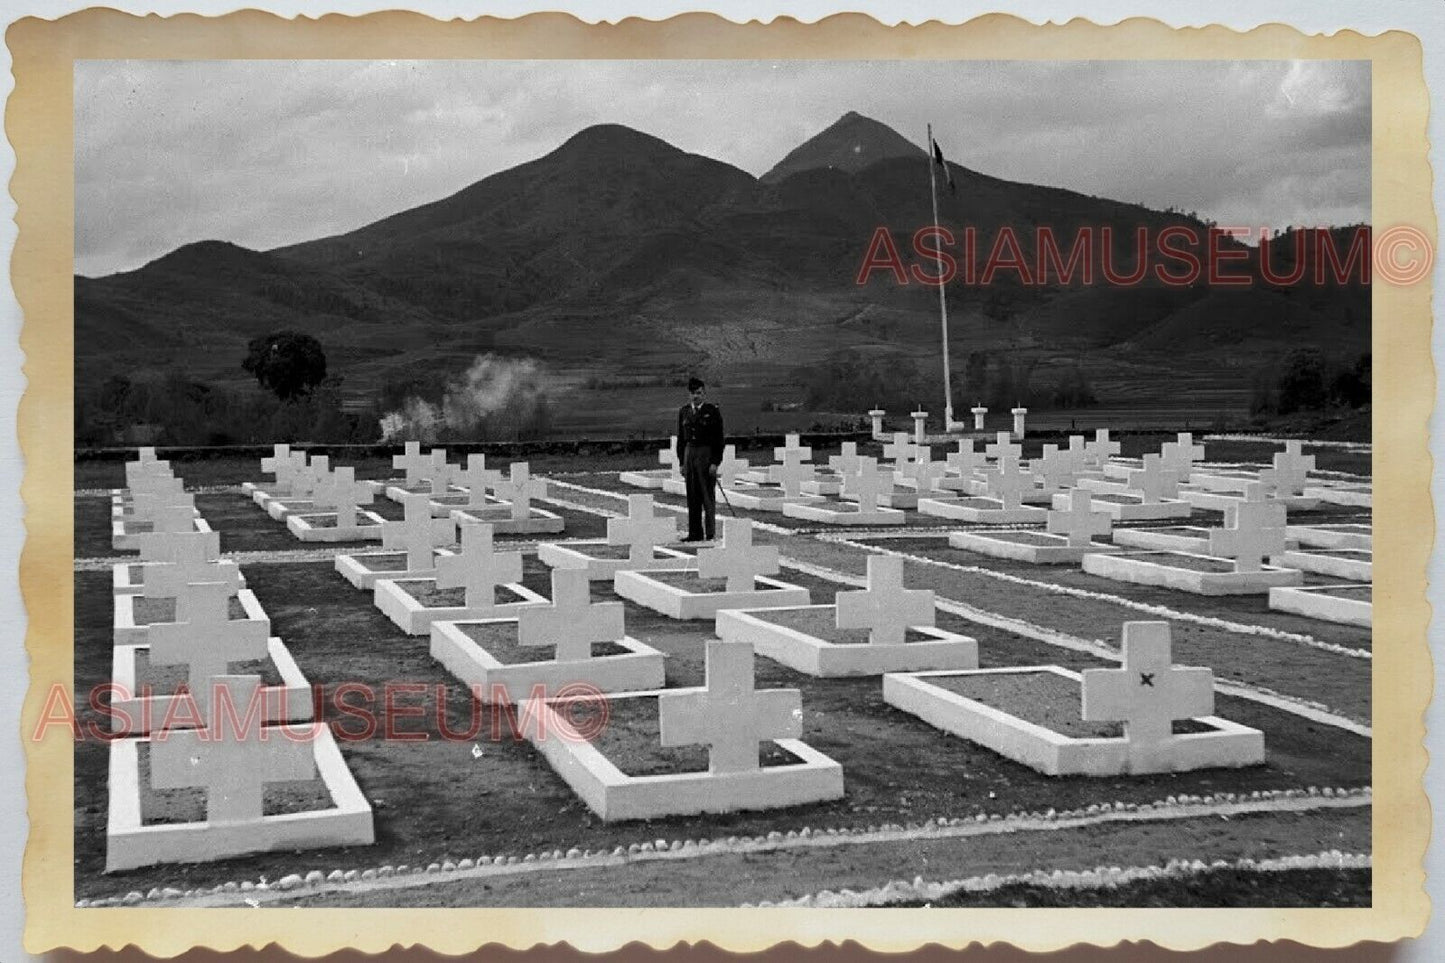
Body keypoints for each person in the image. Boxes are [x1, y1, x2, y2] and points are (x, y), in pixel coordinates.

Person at [676, 377, 724, 542]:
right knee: (692, 496)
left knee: (707, 496)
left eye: (698, 393)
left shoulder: (712, 411)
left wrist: (715, 462)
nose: (695, 397)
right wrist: (682, 461)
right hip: (690, 454)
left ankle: (710, 533)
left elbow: (719, 439)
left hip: (705, 454)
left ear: (704, 394)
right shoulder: (684, 412)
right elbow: (681, 439)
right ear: (689, 395)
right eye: (692, 393)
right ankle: (695, 533)